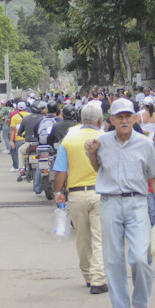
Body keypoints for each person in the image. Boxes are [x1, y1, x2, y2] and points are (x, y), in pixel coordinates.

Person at [85, 98, 155, 308]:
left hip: (137, 203)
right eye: (118, 117)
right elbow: (97, 168)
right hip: (110, 202)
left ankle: (142, 306)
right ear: (111, 120)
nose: (123, 120)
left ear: (133, 118)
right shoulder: (101, 142)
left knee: (141, 258)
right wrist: (92, 153)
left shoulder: (144, 144)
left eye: (127, 116)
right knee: (113, 260)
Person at [53, 102, 108, 295]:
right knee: (100, 238)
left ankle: (88, 276)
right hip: (100, 194)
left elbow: (60, 170)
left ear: (81, 119)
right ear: (100, 120)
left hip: (75, 194)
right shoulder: (104, 138)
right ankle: (98, 279)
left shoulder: (69, 139)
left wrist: (58, 192)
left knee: (82, 238)